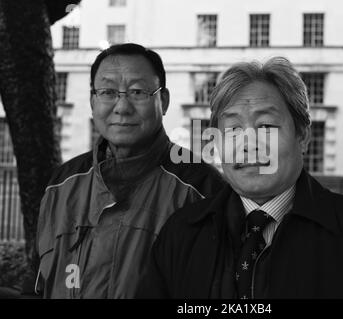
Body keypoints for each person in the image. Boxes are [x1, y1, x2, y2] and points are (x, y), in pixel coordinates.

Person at [148, 57, 343, 299]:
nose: (247, 143)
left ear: (302, 135)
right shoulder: (180, 233)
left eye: (266, 126)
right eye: (232, 128)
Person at [36, 43, 224, 298]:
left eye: (137, 91)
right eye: (108, 91)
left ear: (163, 100)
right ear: (93, 100)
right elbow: (37, 283)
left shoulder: (201, 187)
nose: (122, 107)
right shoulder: (62, 184)